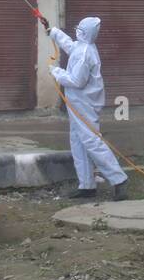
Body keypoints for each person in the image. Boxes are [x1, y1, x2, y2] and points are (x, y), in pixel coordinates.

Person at [42, 15, 129, 202]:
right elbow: (70, 46)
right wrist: (53, 31)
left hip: (84, 105)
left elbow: (76, 81)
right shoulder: (83, 47)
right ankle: (87, 185)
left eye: (79, 29)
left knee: (91, 142)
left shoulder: (84, 54)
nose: (76, 31)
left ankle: (119, 180)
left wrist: (55, 71)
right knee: (78, 143)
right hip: (78, 104)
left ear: (83, 32)